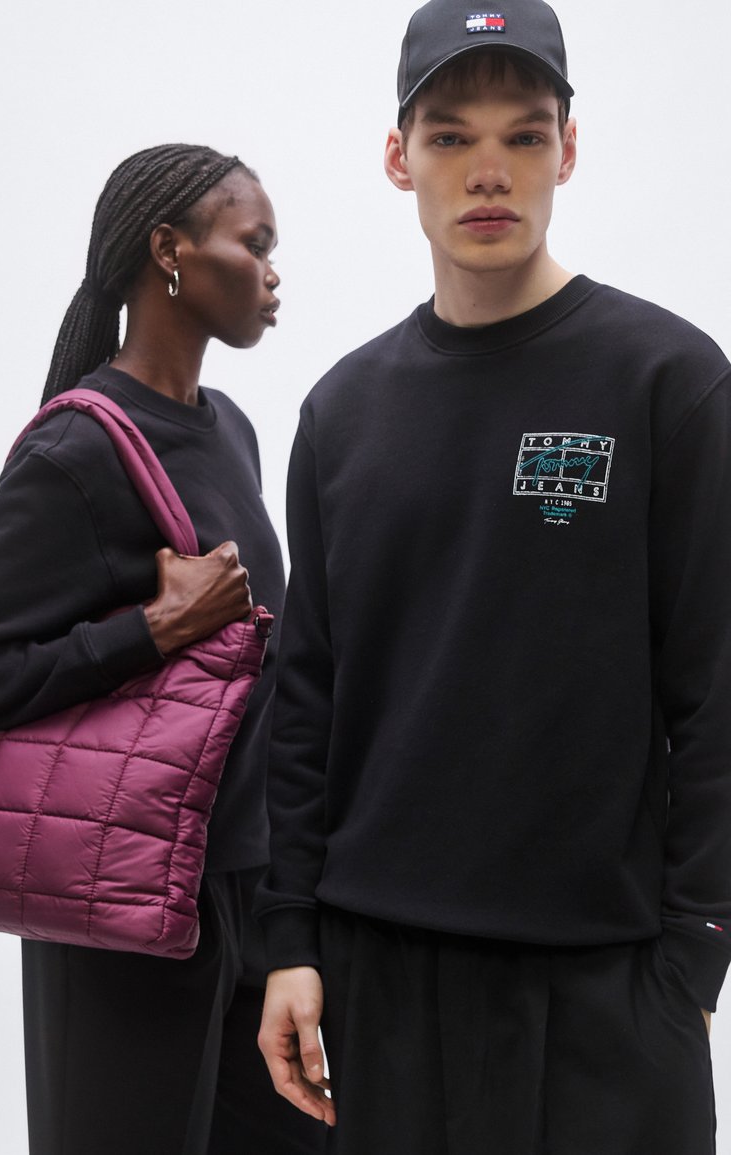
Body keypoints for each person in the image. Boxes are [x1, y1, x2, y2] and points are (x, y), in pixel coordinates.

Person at [255, 2, 731, 1151]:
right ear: (395, 155)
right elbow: (306, 699)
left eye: (522, 136)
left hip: (606, 990)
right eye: (449, 135)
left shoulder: (668, 382)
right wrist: (288, 942)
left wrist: (693, 956)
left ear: (567, 148)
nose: (487, 173)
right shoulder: (342, 411)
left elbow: (715, 692)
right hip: (378, 982)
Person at [0, 144, 325, 1155]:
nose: (274, 271)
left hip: (241, 897)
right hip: (117, 907)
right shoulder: (80, 452)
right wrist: (148, 631)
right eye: (255, 243)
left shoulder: (227, 427)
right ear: (169, 251)